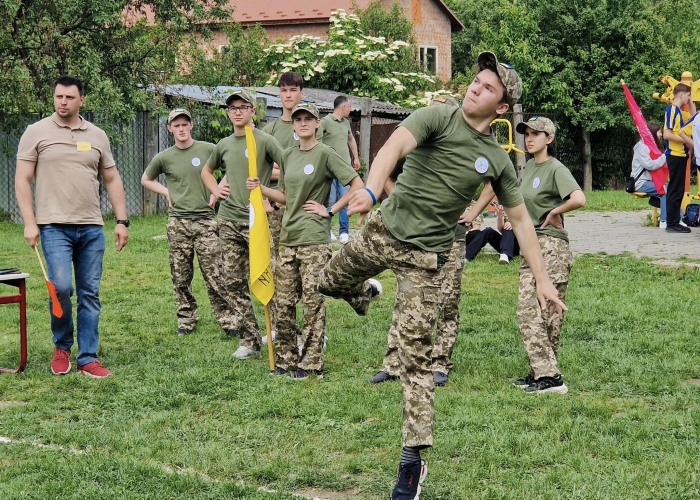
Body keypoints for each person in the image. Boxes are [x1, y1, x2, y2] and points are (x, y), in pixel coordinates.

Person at [316, 52, 566, 499]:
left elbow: (522, 221)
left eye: (489, 88)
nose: (475, 88)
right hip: (382, 232)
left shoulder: (497, 159)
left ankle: (412, 462)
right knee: (327, 283)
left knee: (416, 361)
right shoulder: (436, 117)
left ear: (502, 108)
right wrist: (371, 189)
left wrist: (543, 278)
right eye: (476, 81)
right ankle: (366, 292)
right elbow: (393, 147)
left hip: (425, 261)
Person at [15, 75, 128, 378]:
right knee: (61, 288)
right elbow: (22, 179)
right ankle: (62, 345)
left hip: (91, 227)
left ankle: (87, 357)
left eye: (69, 97)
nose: (62, 102)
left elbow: (112, 178)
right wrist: (29, 222)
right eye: (58, 97)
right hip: (53, 227)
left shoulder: (97, 135)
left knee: (90, 293)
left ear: (81, 100)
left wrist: (121, 220)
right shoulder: (35, 132)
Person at [248, 102, 364, 379]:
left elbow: (357, 184)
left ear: (317, 124)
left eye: (307, 119)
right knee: (284, 304)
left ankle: (311, 363)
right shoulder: (287, 155)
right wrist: (262, 189)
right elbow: (287, 196)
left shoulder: (326, 154)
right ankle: (287, 360)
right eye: (297, 119)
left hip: (314, 240)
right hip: (288, 238)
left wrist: (330, 210)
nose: (302, 123)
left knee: (313, 304)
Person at [369, 94, 466, 388]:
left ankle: (440, 363)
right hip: (414, 239)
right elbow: (385, 165)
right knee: (405, 299)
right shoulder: (416, 145)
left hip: (452, 239)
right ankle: (394, 363)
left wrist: (473, 210)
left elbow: (495, 181)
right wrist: (397, 197)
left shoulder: (465, 149)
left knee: (447, 301)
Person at [201, 90, 283, 360]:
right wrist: (216, 190)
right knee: (233, 281)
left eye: (243, 107)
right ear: (228, 113)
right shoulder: (223, 144)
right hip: (228, 220)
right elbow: (207, 171)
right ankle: (250, 339)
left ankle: (282, 332)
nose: (237, 111)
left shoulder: (265, 140)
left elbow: (290, 167)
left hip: (257, 220)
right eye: (232, 108)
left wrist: (272, 198)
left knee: (270, 276)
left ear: (252, 111)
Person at [141, 108, 236, 336]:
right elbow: (146, 179)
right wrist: (166, 193)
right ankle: (186, 319)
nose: (181, 129)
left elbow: (231, 169)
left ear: (191, 125)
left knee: (215, 274)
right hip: (178, 223)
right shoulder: (164, 157)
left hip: (205, 222)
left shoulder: (208, 149)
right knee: (180, 275)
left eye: (185, 124)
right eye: (176, 125)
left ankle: (228, 320)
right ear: (170, 128)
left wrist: (216, 192)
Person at [512, 116, 586, 394]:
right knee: (537, 311)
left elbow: (579, 198)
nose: (529, 138)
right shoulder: (530, 166)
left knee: (537, 311)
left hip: (552, 246)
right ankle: (540, 373)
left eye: (536, 134)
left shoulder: (555, 168)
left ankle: (550, 377)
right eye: (527, 134)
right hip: (532, 244)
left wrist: (555, 212)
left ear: (549, 139)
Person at [262, 72, 320, 343]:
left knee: (308, 272)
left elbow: (315, 167)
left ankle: (311, 329)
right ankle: (282, 328)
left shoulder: (309, 124)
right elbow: (266, 170)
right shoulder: (271, 131)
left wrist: (286, 170)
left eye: (293, 90)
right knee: (278, 268)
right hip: (277, 208)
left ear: (301, 93)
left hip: (305, 210)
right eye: (283, 91)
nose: (288, 95)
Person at [321, 95, 361, 244]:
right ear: (343, 107)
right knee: (329, 199)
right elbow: (317, 141)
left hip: (345, 170)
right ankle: (327, 229)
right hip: (329, 169)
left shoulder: (346, 123)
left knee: (346, 199)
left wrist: (355, 158)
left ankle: (344, 232)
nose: (351, 111)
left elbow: (350, 139)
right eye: (350, 108)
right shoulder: (325, 122)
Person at [662, 83, 696, 233]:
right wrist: (686, 140)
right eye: (688, 95)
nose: (689, 98)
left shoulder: (680, 113)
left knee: (679, 189)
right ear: (681, 95)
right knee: (675, 190)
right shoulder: (672, 111)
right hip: (674, 155)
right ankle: (672, 223)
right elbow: (667, 134)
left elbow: (695, 119)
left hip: (681, 155)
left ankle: (675, 221)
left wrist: (691, 103)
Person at [630, 122, 671, 228]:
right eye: (659, 132)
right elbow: (650, 165)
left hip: (648, 181)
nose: (661, 135)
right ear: (653, 133)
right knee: (665, 191)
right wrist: (664, 156)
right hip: (640, 182)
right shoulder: (642, 147)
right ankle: (664, 221)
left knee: (670, 189)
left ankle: (679, 218)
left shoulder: (649, 145)